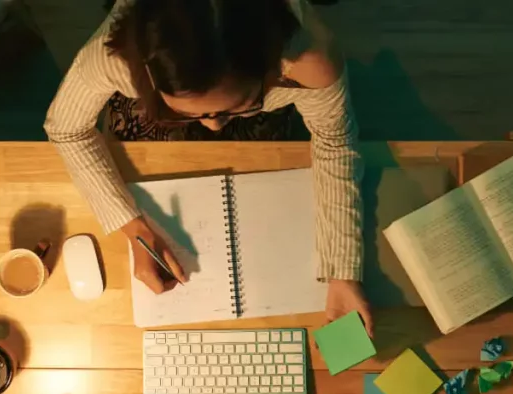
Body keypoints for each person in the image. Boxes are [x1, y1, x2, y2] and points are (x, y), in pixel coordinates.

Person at [44, 0, 373, 334]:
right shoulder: (112, 59)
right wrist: (135, 230)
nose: (214, 128)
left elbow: (335, 142)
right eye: (193, 113)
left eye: (236, 107)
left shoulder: (307, 60)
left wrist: (342, 272)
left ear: (270, 69)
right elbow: (65, 127)